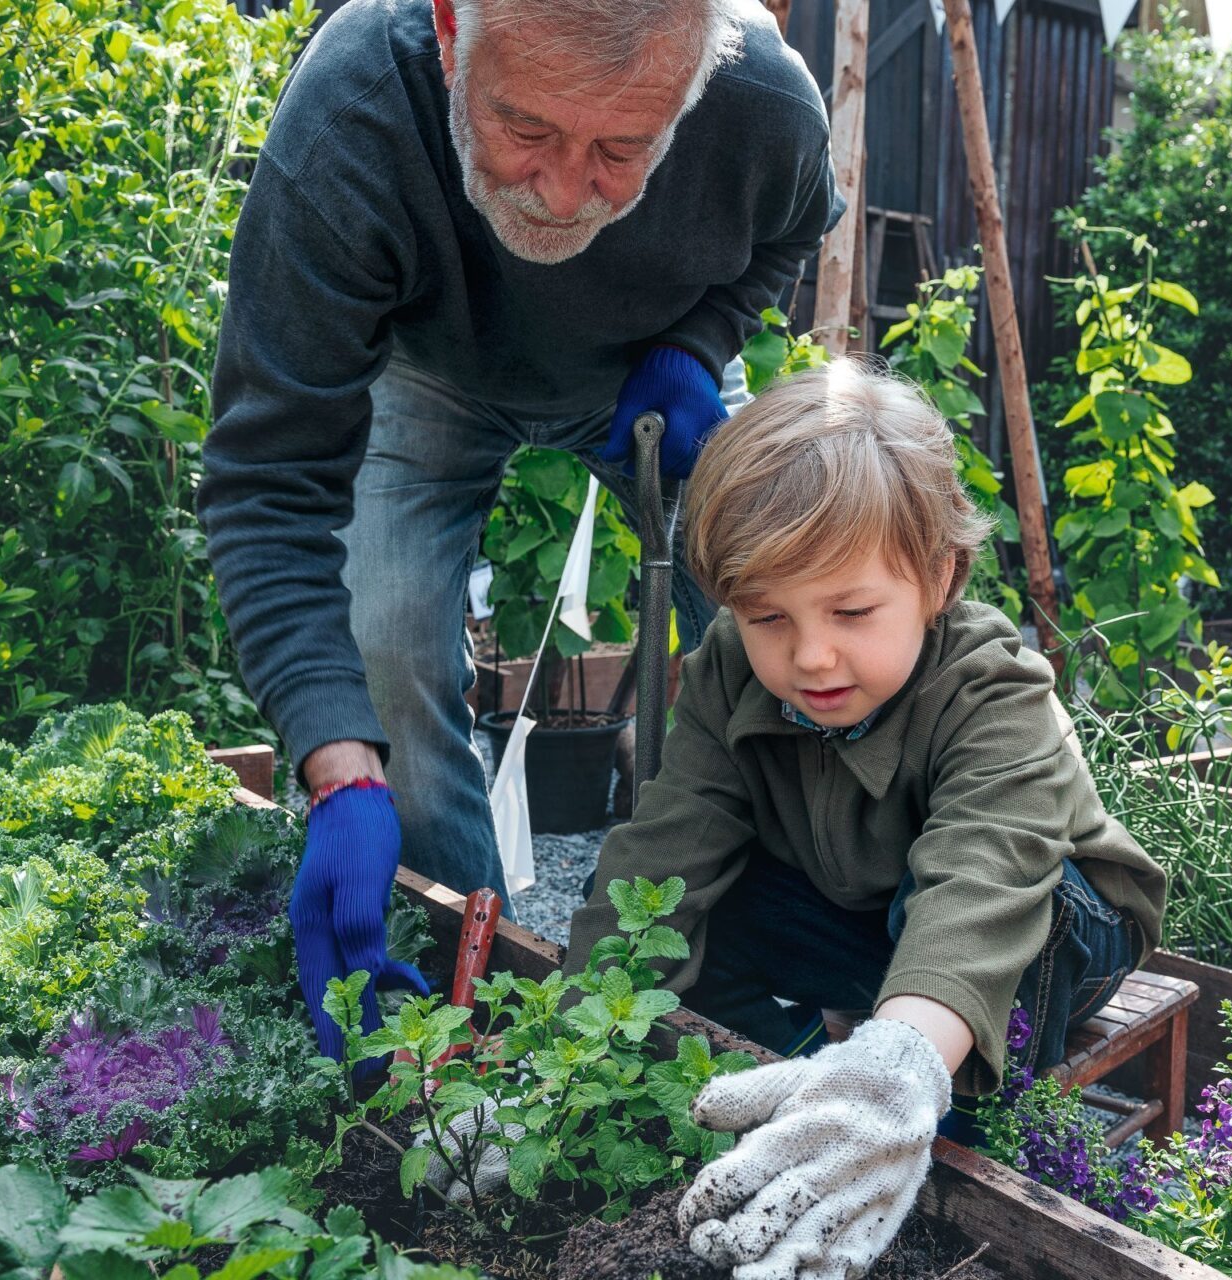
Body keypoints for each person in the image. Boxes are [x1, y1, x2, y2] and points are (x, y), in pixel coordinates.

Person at [196, 0, 838, 1057]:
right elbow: (270, 474)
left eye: (624, 148)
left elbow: (789, 231)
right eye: (526, 128)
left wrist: (699, 340)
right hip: (430, 375)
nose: (561, 187)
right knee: (387, 652)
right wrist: (336, 764)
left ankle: (784, 946)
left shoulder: (763, 102)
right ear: (453, 33)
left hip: (646, 367)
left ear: (691, 93)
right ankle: (472, 985)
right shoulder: (355, 113)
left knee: (786, 600)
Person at [560, 359, 1167, 1279]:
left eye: (851, 610)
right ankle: (808, 1093)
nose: (810, 654)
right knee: (688, 912)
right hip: (866, 910)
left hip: (1045, 927)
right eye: (767, 616)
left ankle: (936, 1129)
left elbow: (983, 877)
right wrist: (561, 1050)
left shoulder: (993, 687)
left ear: (938, 574)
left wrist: (901, 1068)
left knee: (994, 924)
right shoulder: (729, 666)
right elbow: (662, 850)